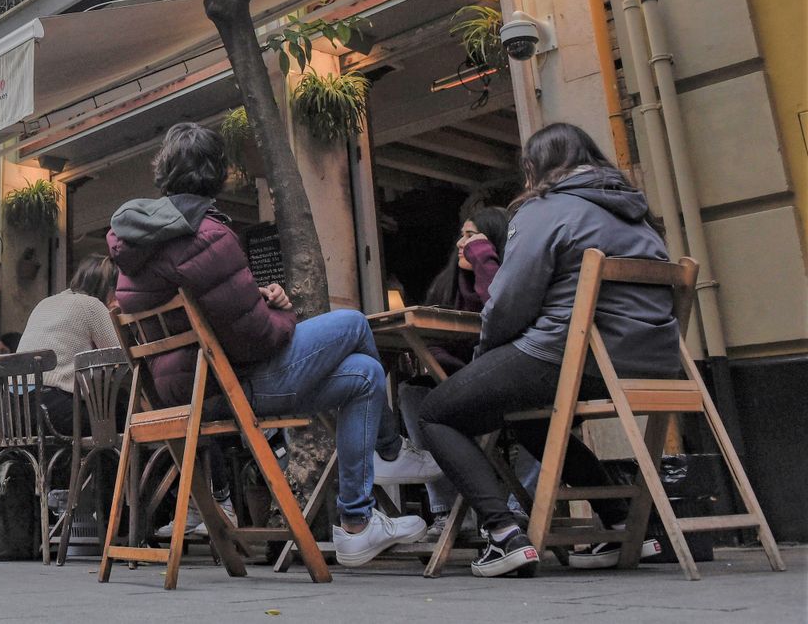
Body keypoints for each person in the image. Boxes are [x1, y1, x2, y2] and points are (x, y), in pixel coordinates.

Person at [107, 122, 426, 568]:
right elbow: (257, 338)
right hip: (232, 387)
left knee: (365, 375)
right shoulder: (208, 236)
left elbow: (199, 312)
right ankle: (389, 451)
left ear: (163, 170)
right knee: (354, 323)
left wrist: (255, 298)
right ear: (218, 173)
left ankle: (356, 524)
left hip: (184, 389)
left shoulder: (136, 243)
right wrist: (284, 310)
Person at [418, 123, 679, 578]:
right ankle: (625, 524)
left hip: (566, 354)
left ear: (533, 167)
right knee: (529, 420)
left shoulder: (544, 210)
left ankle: (503, 534)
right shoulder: (639, 218)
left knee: (436, 412)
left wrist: (485, 360)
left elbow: (507, 305)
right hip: (650, 363)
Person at [395, 207, 509, 541]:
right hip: (460, 381)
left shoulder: (507, 280)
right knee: (412, 393)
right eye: (462, 235)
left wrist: (484, 261)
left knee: (544, 409)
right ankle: (446, 510)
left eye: (472, 236)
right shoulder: (447, 284)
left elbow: (501, 308)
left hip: (501, 380)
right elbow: (434, 345)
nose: (462, 243)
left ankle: (520, 505)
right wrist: (452, 369)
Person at [15, 254, 123, 435]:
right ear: (109, 288)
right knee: (119, 412)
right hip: (51, 412)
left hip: (13, 413)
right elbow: (123, 355)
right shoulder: (92, 305)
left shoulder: (44, 303)